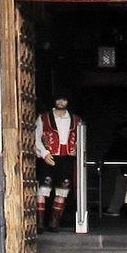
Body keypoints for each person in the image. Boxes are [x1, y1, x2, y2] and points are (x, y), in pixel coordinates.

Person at [33, 95, 82, 231]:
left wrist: (76, 149)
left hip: (66, 158)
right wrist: (44, 154)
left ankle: (54, 223)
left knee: (62, 190)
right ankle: (40, 223)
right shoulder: (44, 117)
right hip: (49, 158)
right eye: (59, 99)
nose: (61, 102)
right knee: (43, 189)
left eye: (64, 99)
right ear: (54, 101)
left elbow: (81, 139)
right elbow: (36, 138)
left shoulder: (76, 119)